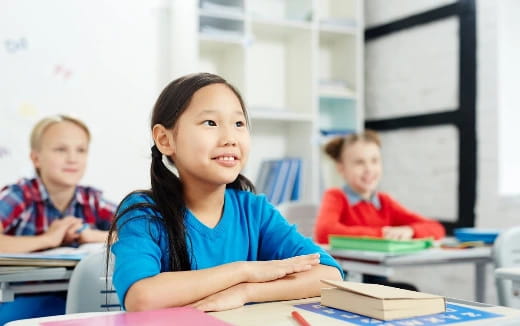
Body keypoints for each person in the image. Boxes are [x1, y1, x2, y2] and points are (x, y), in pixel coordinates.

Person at [108, 72, 343, 312]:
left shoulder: (254, 211)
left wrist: (246, 291)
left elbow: (329, 275)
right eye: (210, 123)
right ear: (165, 139)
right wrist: (244, 271)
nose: (230, 138)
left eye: (239, 124)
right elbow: (141, 298)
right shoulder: (143, 213)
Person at [0, 114, 116, 324]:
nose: (72, 158)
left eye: (80, 150)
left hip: (78, 297)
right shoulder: (19, 195)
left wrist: (92, 235)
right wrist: (48, 239)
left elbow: (144, 229)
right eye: (60, 149)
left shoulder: (91, 199)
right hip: (18, 298)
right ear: (36, 159)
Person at [314, 130, 445, 291]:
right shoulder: (336, 197)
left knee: (411, 292)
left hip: (377, 280)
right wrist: (384, 235)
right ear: (341, 168)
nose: (368, 168)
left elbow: (436, 228)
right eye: (359, 162)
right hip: (345, 282)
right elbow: (325, 232)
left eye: (374, 161)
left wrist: (410, 231)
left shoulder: (384, 202)